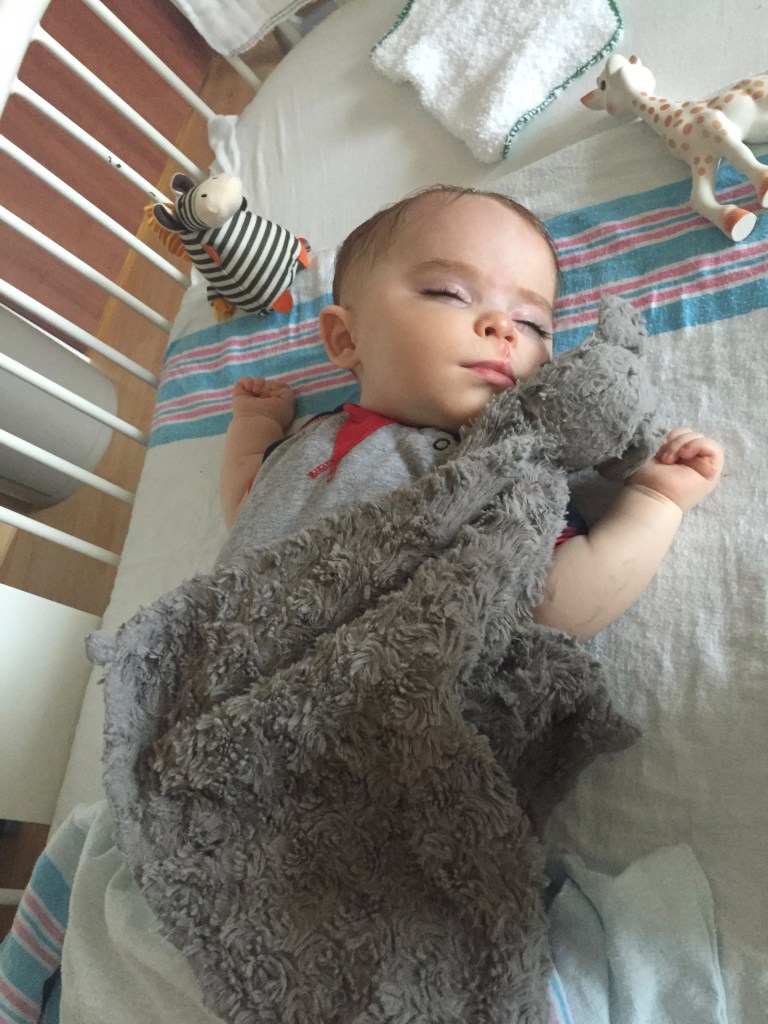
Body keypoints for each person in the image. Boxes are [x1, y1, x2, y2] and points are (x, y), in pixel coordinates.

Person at [218, 185, 723, 640]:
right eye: (450, 293)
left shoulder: (503, 470)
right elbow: (248, 506)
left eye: (533, 324)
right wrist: (256, 426)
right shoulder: (311, 439)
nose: (503, 327)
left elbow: (552, 605)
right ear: (347, 338)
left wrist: (654, 500)